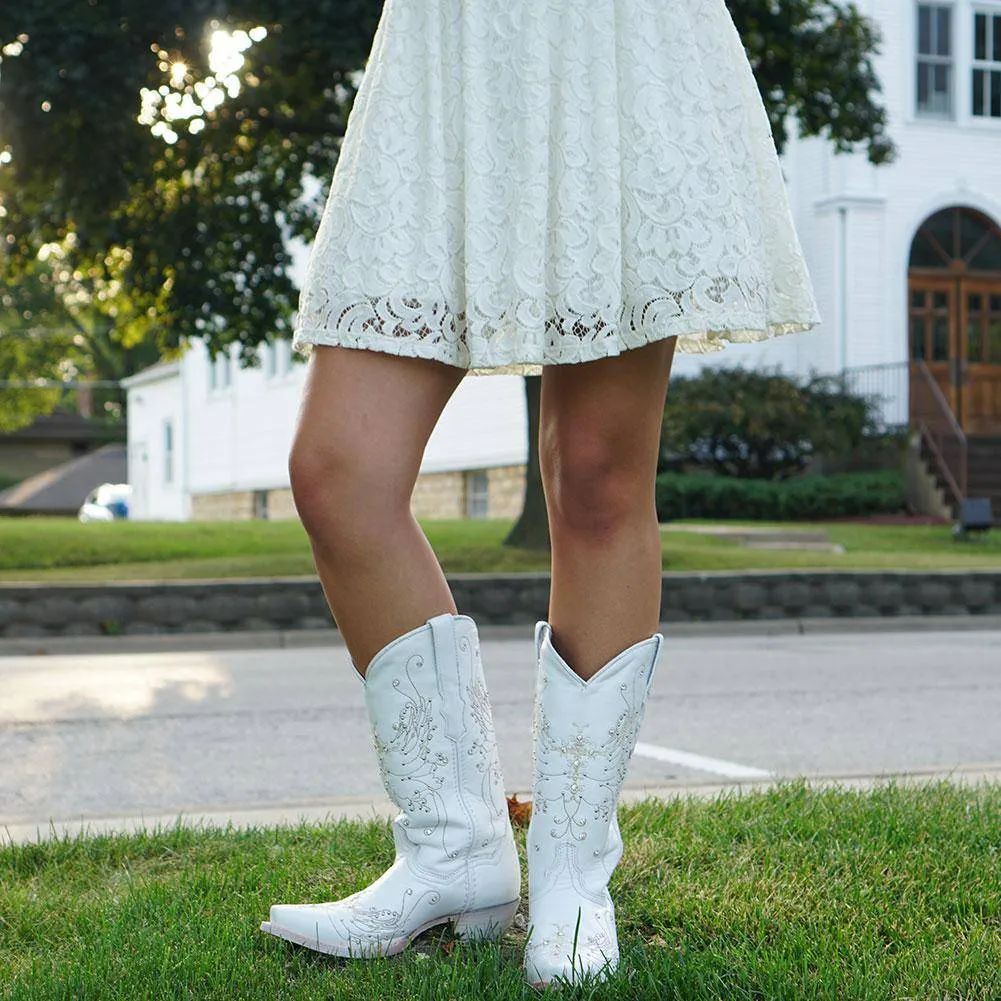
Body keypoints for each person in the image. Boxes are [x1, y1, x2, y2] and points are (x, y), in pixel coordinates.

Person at [259, 0, 819, 987]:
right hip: (449, 53)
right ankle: (453, 850)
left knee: (596, 471)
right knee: (338, 470)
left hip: (612, 43)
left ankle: (569, 874)